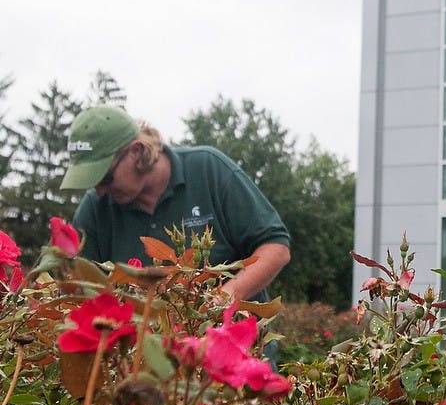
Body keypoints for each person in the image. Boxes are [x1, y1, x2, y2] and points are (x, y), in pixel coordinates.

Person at [61, 105, 291, 304]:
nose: (100, 191)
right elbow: (79, 285)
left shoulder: (208, 170)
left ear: (136, 151)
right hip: (143, 350)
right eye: (92, 182)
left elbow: (275, 247)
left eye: (105, 178)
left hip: (235, 344)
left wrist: (223, 298)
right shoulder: (96, 206)